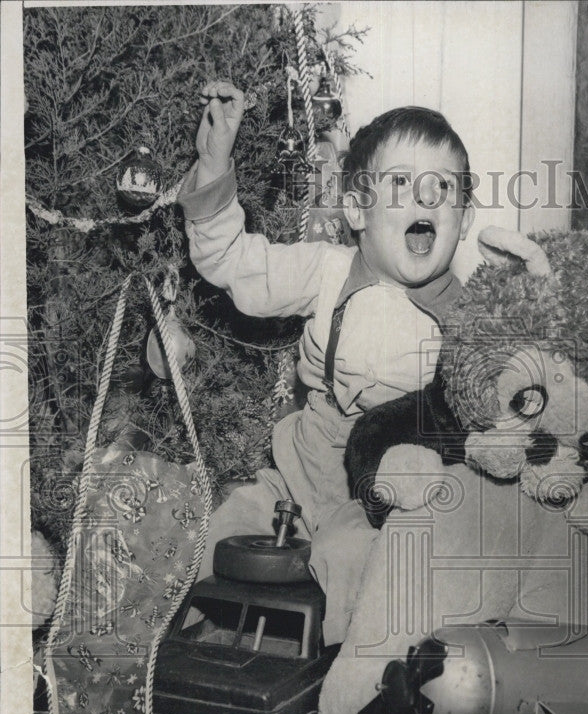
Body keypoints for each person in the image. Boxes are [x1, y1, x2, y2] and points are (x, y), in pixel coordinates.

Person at [178, 81, 474, 644]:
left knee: (357, 571)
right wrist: (215, 165)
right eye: (402, 184)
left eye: (445, 189)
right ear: (358, 208)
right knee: (214, 540)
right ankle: (175, 674)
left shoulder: (471, 317)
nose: (427, 200)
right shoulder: (327, 270)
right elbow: (233, 262)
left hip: (380, 503)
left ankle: (346, 702)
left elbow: (528, 384)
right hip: (295, 479)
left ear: (463, 215)